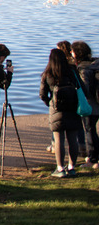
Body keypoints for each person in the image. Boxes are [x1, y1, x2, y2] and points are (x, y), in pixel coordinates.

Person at [39, 47, 80, 177]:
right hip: (73, 109)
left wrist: (50, 103)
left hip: (57, 110)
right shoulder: (72, 71)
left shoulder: (48, 74)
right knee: (73, 139)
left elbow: (42, 94)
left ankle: (60, 168)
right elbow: (81, 88)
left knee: (58, 140)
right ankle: (72, 167)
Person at [71, 41, 99, 170]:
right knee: (92, 130)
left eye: (72, 51)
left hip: (90, 105)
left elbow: (85, 89)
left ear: (77, 53)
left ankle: (93, 159)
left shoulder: (83, 68)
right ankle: (93, 156)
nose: (71, 53)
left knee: (90, 130)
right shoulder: (95, 63)